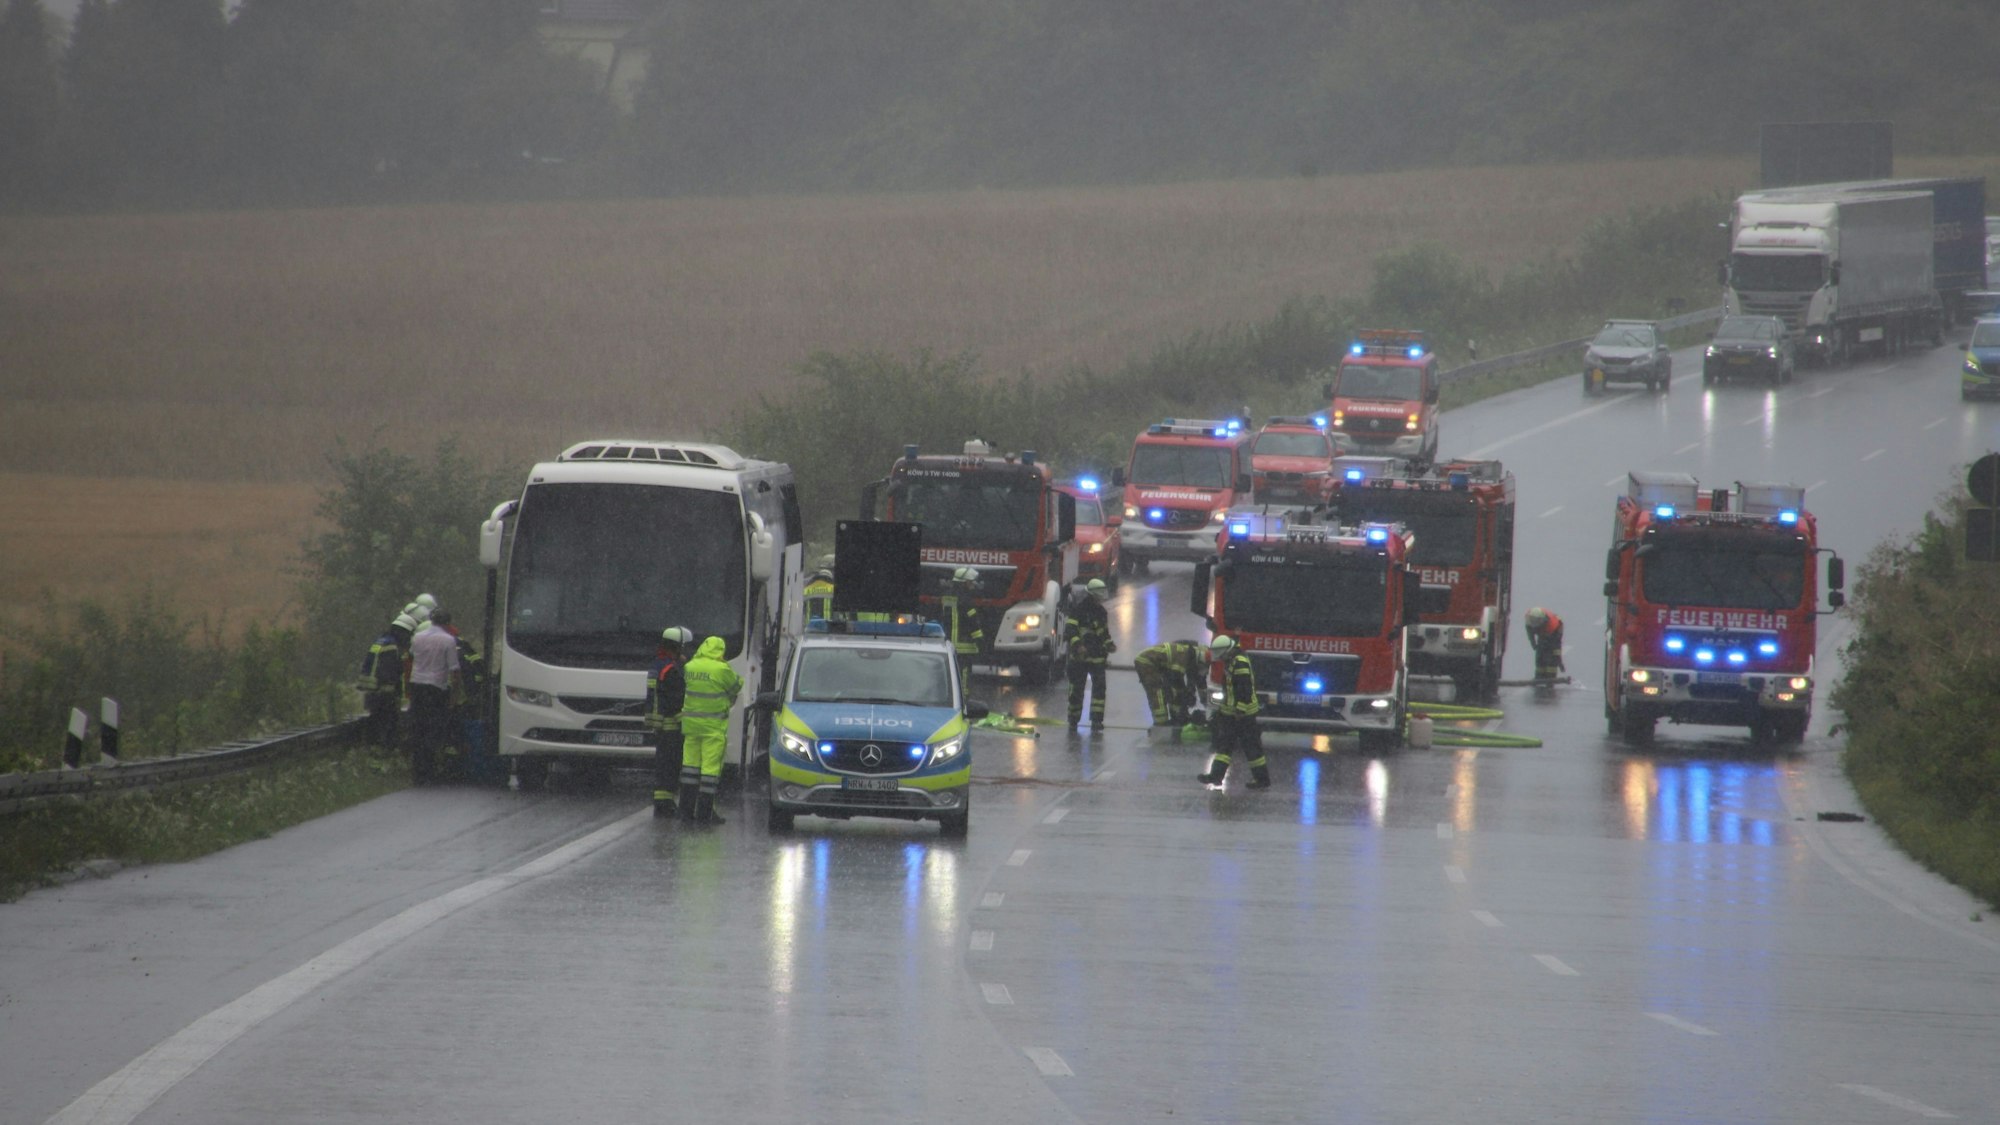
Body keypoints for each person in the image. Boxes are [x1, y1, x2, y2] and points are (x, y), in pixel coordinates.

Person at [678, 635, 743, 825]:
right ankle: (705, 813)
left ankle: (686, 810)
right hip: (713, 728)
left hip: (691, 727)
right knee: (710, 771)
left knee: (690, 768)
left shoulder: (690, 666)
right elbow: (735, 686)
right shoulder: (721, 669)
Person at [1197, 635, 1270, 789]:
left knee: (1251, 747)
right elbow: (1228, 689)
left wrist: (1240, 709)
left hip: (1244, 714)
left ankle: (1262, 780)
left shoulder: (1240, 663)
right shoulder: (1231, 661)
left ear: (1227, 651)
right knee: (1225, 745)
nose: (1220, 658)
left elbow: (1244, 688)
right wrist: (1222, 711)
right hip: (1232, 713)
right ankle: (1216, 776)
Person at [406, 605, 462, 784]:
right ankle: (429, 770)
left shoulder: (417, 637)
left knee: (418, 727)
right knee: (434, 728)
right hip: (436, 689)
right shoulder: (448, 640)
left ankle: (417, 771)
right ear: (447, 623)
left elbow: (412, 659)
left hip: (417, 686)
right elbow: (454, 670)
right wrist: (454, 696)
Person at [646, 626, 693, 819]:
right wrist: (688, 723)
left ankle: (661, 801)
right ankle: (666, 804)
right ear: (678, 647)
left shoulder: (657, 665)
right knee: (671, 767)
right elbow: (675, 702)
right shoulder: (671, 670)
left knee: (662, 766)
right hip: (671, 727)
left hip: (659, 725)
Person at [358, 613, 416, 747]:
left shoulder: (382, 641)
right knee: (388, 727)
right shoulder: (391, 646)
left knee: (377, 725)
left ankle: (377, 752)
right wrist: (396, 694)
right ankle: (386, 752)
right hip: (383, 695)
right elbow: (390, 674)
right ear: (403, 632)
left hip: (372, 692)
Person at [1065, 578, 1114, 731]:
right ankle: (1073, 718)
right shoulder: (1079, 609)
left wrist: (1109, 645)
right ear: (1092, 595)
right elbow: (1070, 629)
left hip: (1097, 657)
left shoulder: (1101, 612)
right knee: (1077, 689)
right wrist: (1078, 645)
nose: (1101, 598)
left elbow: (1103, 633)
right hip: (1079, 658)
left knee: (1099, 690)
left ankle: (1097, 721)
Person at [1134, 639, 1207, 727]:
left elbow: (1197, 680)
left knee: (1173, 692)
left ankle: (1176, 717)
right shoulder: (1183, 656)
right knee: (1157, 693)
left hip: (1158, 664)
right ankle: (1161, 723)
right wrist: (1185, 696)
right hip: (1146, 662)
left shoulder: (1190, 654)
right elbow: (1175, 681)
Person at [941, 566, 986, 694]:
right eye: (970, 582)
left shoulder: (947, 597)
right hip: (964, 645)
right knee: (964, 673)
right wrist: (980, 640)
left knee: (951, 673)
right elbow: (972, 623)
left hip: (949, 642)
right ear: (963, 583)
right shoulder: (966, 600)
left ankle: (953, 696)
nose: (972, 585)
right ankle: (963, 700)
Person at [1525, 607, 1565, 680]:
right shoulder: (1529, 620)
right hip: (1544, 630)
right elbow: (1530, 632)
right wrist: (1533, 644)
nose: (1534, 624)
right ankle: (1539, 675)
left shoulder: (1551, 626)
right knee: (1540, 654)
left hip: (1555, 630)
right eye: (1533, 621)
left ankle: (1551, 677)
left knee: (1551, 654)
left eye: (1536, 622)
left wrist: (1559, 660)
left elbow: (1556, 645)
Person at [803, 554, 836, 622]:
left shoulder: (806, 587)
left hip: (808, 630)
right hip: (829, 630)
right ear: (833, 570)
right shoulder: (833, 589)